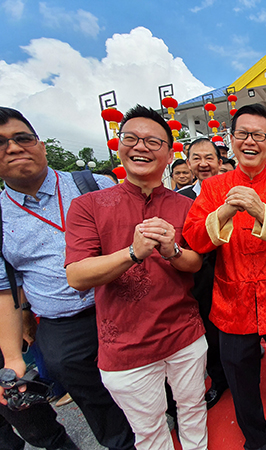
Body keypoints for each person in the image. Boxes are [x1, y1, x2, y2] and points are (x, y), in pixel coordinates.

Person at [64, 105, 208, 450]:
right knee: (149, 430)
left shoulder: (185, 206)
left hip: (184, 332)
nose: (141, 147)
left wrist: (172, 250)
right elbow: (77, 275)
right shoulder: (88, 206)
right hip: (126, 346)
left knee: (192, 409)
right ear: (119, 147)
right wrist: (132, 253)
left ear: (169, 154)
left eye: (153, 141)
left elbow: (195, 263)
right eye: (131, 138)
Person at [0, 107, 135, 450]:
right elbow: (6, 290)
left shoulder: (94, 185)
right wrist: (13, 356)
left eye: (22, 138)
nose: (13, 148)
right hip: (65, 326)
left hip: (124, 303)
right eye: (0, 143)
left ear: (41, 146)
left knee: (149, 380)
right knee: (97, 402)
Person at [182, 104, 266, 450]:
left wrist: (260, 211)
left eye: (258, 135)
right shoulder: (213, 188)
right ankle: (256, 438)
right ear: (231, 139)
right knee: (241, 382)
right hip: (231, 305)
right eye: (242, 134)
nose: (250, 141)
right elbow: (194, 239)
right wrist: (226, 209)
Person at [177, 139, 230, 410]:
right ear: (188, 163)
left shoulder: (232, 191)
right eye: (196, 158)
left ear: (219, 161)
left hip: (232, 267)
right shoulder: (181, 198)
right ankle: (220, 379)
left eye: (209, 157)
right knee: (210, 329)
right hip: (200, 274)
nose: (203, 163)